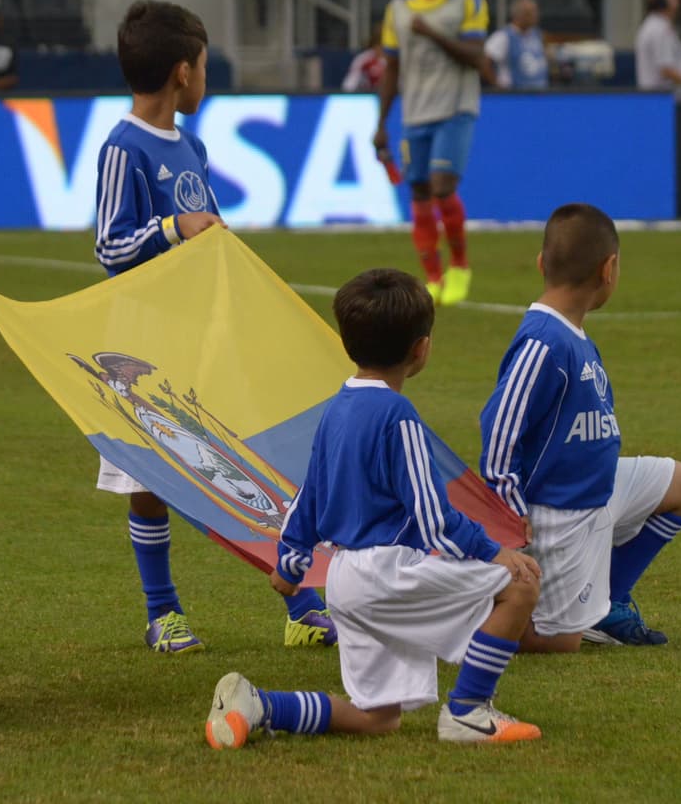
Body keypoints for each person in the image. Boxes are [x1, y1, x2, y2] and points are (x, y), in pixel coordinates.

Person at [205, 268, 543, 749]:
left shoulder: (335, 409)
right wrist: (494, 552)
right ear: (421, 349)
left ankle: (257, 705)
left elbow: (308, 496)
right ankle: (468, 711)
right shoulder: (398, 415)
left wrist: (291, 563)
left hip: (345, 581)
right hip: (388, 574)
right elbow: (433, 518)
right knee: (520, 586)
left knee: (377, 718)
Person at [92, 0, 336, 653]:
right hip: (143, 342)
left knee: (249, 464)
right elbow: (110, 246)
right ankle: (162, 612)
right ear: (182, 72)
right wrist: (176, 227)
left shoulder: (191, 147)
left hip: (201, 336)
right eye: (203, 66)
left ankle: (300, 606)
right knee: (150, 482)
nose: (206, 78)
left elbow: (211, 239)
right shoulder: (122, 148)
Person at [478, 203, 681, 652]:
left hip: (597, 489)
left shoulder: (572, 334)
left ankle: (609, 603)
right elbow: (499, 426)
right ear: (608, 269)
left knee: (679, 484)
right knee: (557, 645)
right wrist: (509, 510)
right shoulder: (543, 341)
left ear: (541, 263)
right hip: (558, 511)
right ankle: (479, 611)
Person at [374, 0, 491, 307]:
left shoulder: (468, 1)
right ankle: (433, 277)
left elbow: (476, 55)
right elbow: (391, 67)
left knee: (442, 187)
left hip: (455, 109)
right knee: (419, 191)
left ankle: (459, 265)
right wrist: (380, 124)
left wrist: (432, 33)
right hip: (414, 114)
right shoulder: (398, 8)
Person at [484, 0, 550, 90]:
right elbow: (485, 62)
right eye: (529, 13)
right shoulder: (503, 36)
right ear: (518, 15)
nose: (535, 16)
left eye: (536, 11)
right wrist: (497, 85)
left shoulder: (538, 35)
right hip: (515, 94)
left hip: (540, 92)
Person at [341, 25, 387, 92]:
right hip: (368, 94)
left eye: (384, 44)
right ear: (374, 44)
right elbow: (349, 85)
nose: (381, 48)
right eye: (379, 43)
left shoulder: (395, 59)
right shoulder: (364, 59)